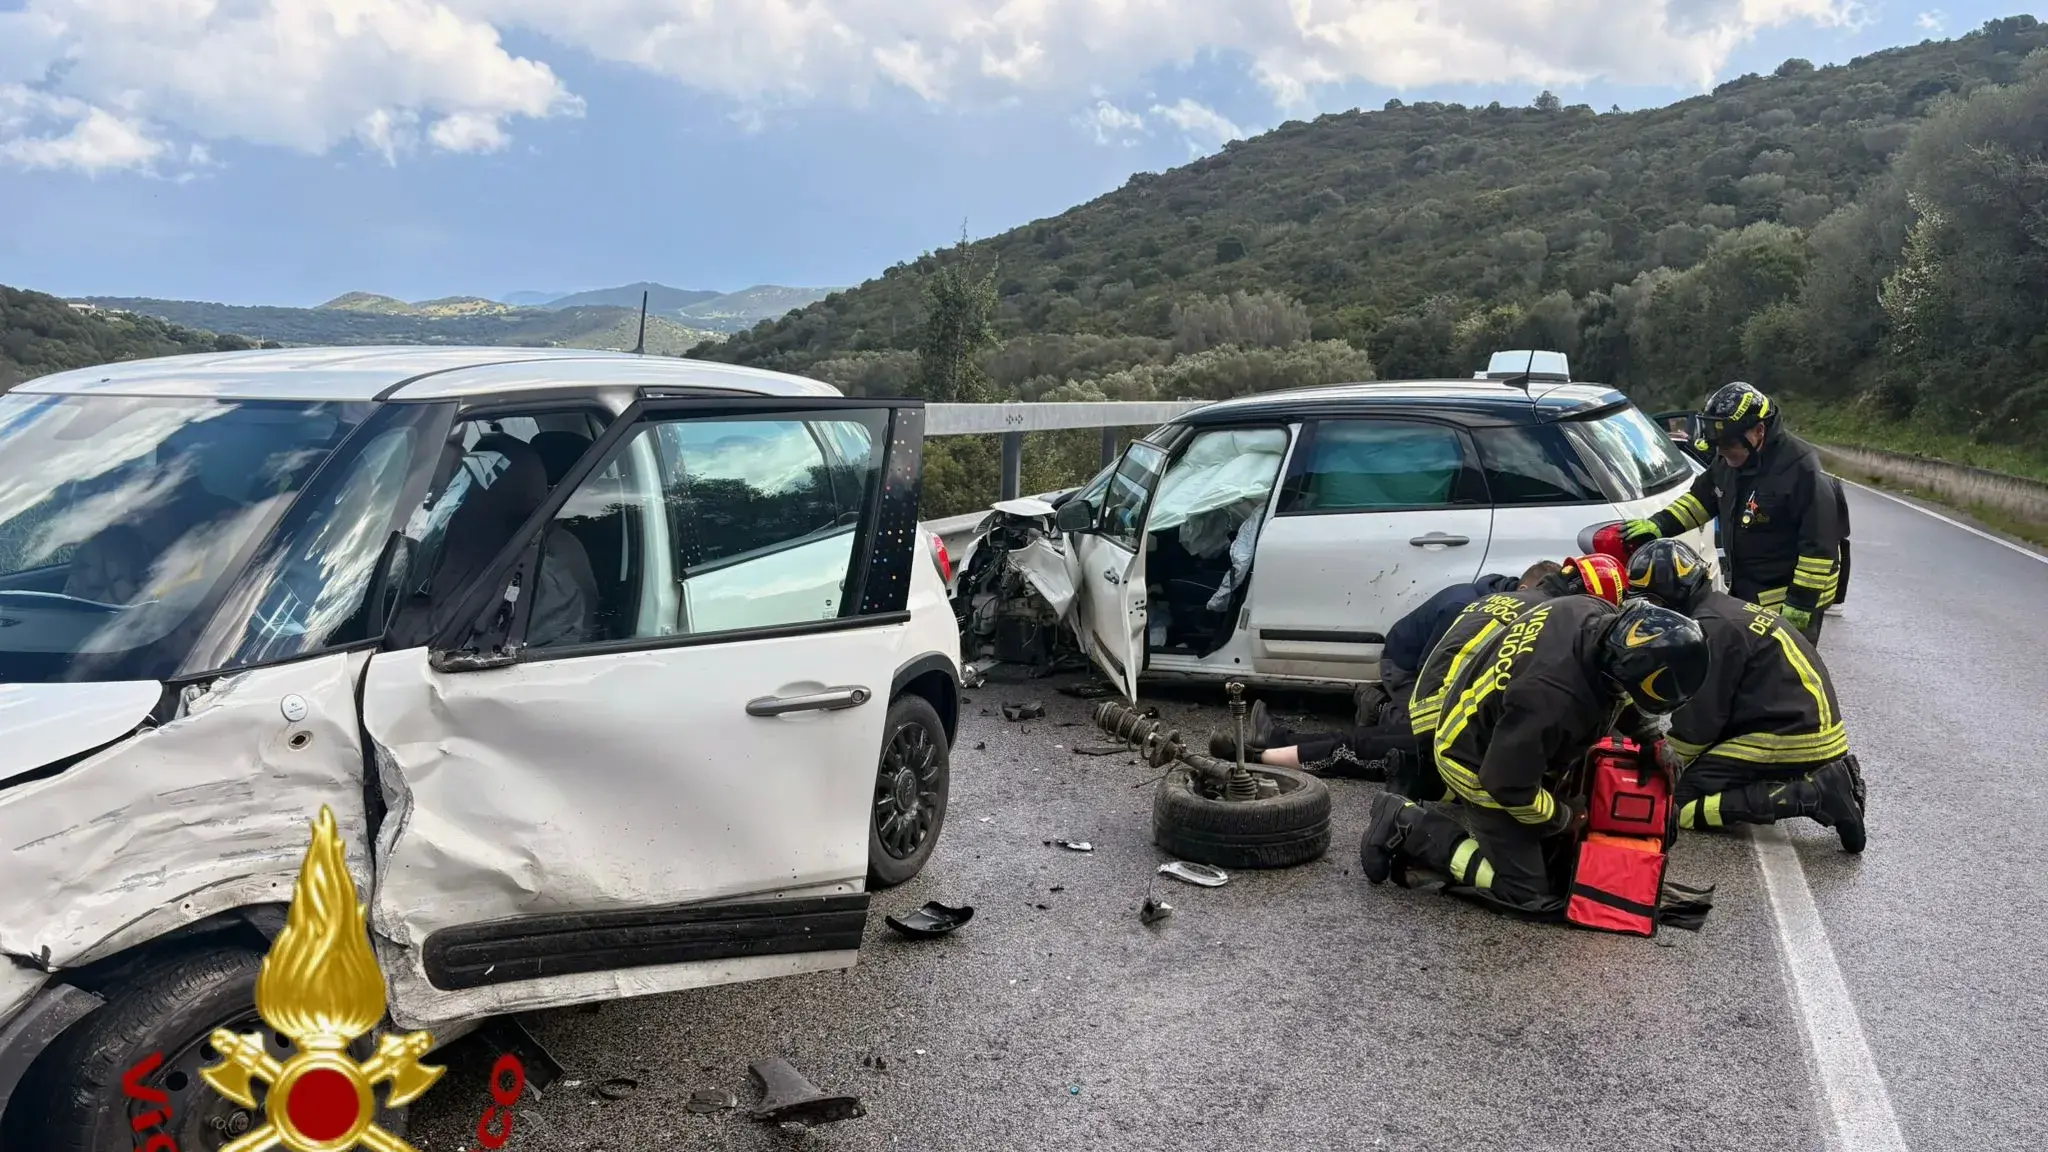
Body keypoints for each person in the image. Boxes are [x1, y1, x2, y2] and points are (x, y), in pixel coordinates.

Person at [1358, 598, 1710, 917]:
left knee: (1561, 862)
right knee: (1527, 894)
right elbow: (1507, 785)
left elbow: (1618, 682)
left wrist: (1651, 738)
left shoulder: (1594, 613)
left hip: (1507, 737)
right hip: (1476, 765)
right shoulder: (1552, 698)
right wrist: (1562, 817)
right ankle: (1408, 824)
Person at [1207, 557, 1617, 779]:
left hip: (1450, 700)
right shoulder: (1538, 616)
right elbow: (1439, 666)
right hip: (1431, 694)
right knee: (1377, 749)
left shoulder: (1515, 601)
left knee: (1373, 739)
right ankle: (1261, 754)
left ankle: (1269, 741)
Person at [1624, 538, 1866, 852]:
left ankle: (1813, 795)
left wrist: (1661, 759)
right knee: (1704, 778)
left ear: (1666, 597)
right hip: (1805, 725)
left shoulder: (1706, 630)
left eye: (1650, 602)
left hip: (1790, 733)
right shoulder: (1722, 610)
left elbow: (1700, 724)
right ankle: (1814, 786)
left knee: (1676, 805)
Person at [1622, 381, 1841, 645]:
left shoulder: (1801, 470)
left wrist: (1801, 603)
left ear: (1758, 431)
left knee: (1783, 677)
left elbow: (1819, 547)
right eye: (1718, 448)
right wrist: (1659, 525)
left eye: (1728, 446)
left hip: (1786, 603)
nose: (1722, 454)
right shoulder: (1731, 460)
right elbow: (1700, 501)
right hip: (1746, 595)